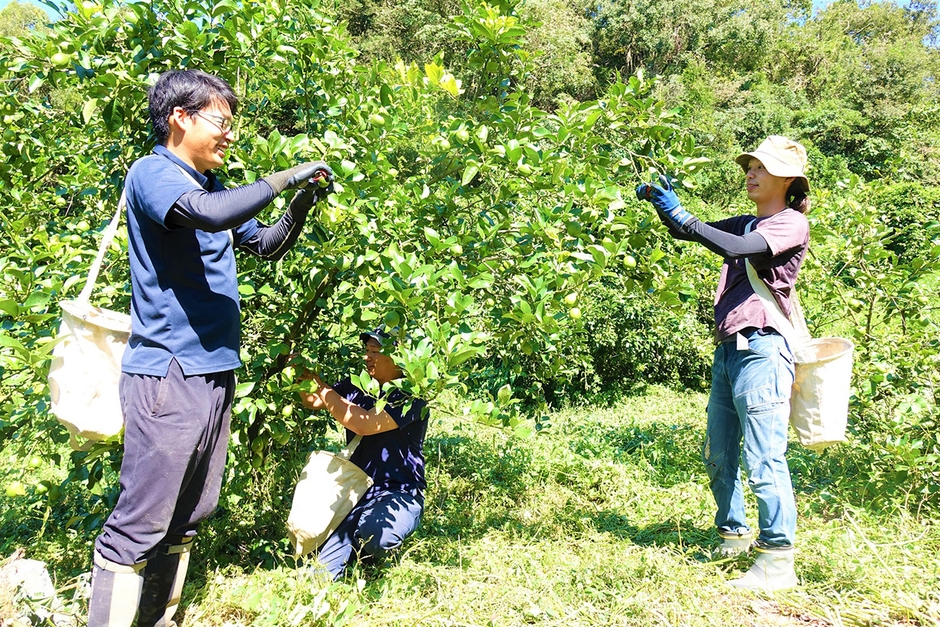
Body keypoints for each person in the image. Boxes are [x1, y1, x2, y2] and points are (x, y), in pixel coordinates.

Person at [87, 69, 335, 627]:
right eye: (221, 123)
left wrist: (303, 200)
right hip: (169, 372)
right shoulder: (155, 173)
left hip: (214, 371)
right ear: (180, 117)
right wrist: (286, 175)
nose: (229, 136)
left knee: (190, 513)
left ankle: (158, 618)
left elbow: (265, 244)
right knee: (141, 521)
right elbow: (209, 216)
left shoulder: (210, 187)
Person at [636, 136, 811, 592]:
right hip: (730, 348)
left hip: (764, 350)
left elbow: (735, 248)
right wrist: (662, 204)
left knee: (763, 457)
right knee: (719, 451)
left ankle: (777, 560)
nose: (751, 173)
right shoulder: (747, 221)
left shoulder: (790, 224)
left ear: (788, 179)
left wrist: (685, 215)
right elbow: (692, 232)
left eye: (762, 167)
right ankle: (732, 536)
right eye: (750, 165)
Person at [296, 326, 429, 579]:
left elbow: (364, 423)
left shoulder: (412, 396)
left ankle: (372, 550)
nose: (367, 357)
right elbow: (313, 401)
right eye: (366, 350)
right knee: (317, 576)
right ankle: (356, 542)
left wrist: (322, 387)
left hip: (398, 492)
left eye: (375, 352)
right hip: (356, 492)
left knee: (377, 536)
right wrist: (302, 375)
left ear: (399, 357)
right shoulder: (359, 385)